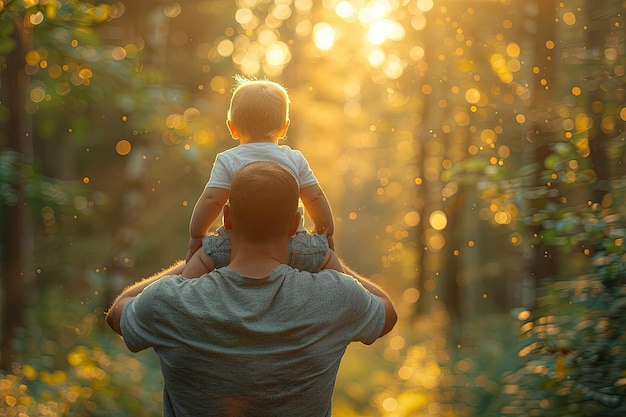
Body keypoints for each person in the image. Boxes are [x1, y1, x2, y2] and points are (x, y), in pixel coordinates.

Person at [106, 161, 397, 417]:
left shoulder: (169, 300)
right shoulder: (336, 296)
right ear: (295, 223)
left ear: (227, 219)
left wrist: (202, 258)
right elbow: (386, 309)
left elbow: (119, 310)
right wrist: (325, 258)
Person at [184, 76, 340, 278]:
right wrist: (325, 234)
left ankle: (179, 293)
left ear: (232, 127)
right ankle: (354, 300)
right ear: (284, 126)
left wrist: (196, 236)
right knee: (328, 258)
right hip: (292, 246)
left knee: (201, 259)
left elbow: (212, 200)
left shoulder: (228, 160)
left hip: (235, 249)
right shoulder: (294, 158)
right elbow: (315, 197)